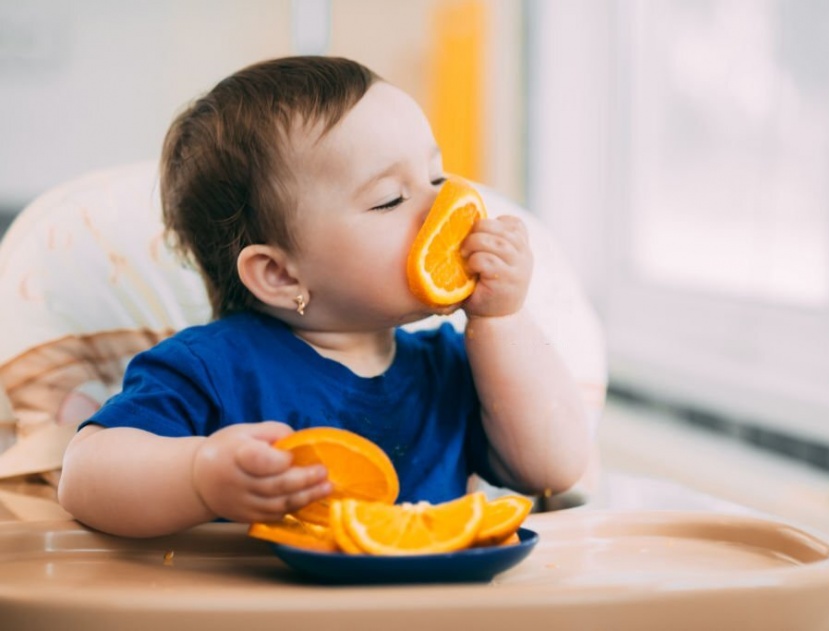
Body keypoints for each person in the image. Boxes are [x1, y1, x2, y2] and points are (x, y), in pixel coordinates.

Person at [58, 56, 590, 538]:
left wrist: (499, 320)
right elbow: (83, 477)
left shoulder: (453, 363)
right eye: (390, 199)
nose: (445, 206)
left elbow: (552, 467)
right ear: (280, 275)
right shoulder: (214, 368)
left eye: (437, 175)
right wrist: (199, 478)